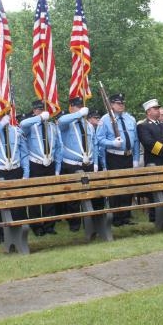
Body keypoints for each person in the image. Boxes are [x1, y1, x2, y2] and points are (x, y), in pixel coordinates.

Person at [0, 113, 29, 243]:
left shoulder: (17, 131)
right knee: (0, 206)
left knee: (18, 204)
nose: (4, 117)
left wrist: (26, 173)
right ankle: (2, 235)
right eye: (0, 116)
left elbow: (24, 153)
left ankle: (18, 232)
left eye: (6, 115)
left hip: (15, 170)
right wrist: (1, 125)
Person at [19, 100, 63, 236]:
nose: (41, 111)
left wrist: (57, 168)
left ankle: (50, 225)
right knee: (35, 197)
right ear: (34, 111)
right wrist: (39, 118)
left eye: (42, 110)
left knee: (50, 196)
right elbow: (22, 124)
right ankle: (37, 226)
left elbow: (58, 147)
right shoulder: (30, 126)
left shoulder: (52, 127)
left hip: (50, 164)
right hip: (35, 164)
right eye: (38, 109)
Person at [96, 93, 139, 226]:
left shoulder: (130, 118)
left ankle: (126, 215)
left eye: (122, 103)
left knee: (127, 186)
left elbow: (136, 140)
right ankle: (116, 217)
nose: (121, 106)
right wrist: (112, 143)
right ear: (112, 105)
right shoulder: (105, 119)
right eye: (118, 103)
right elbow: (99, 139)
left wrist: (136, 158)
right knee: (115, 187)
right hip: (114, 157)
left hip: (128, 156)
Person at [57, 97, 98, 231]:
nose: (80, 108)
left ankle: (91, 221)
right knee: (74, 197)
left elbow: (94, 145)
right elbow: (61, 120)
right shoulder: (67, 123)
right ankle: (74, 224)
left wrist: (95, 162)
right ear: (71, 108)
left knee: (90, 194)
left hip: (88, 163)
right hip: (72, 164)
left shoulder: (89, 125)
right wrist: (78, 115)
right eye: (76, 106)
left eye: (81, 106)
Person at [137, 99, 163, 220]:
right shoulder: (143, 126)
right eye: (155, 109)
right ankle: (155, 216)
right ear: (148, 111)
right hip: (155, 162)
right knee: (155, 190)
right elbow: (149, 143)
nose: (158, 110)